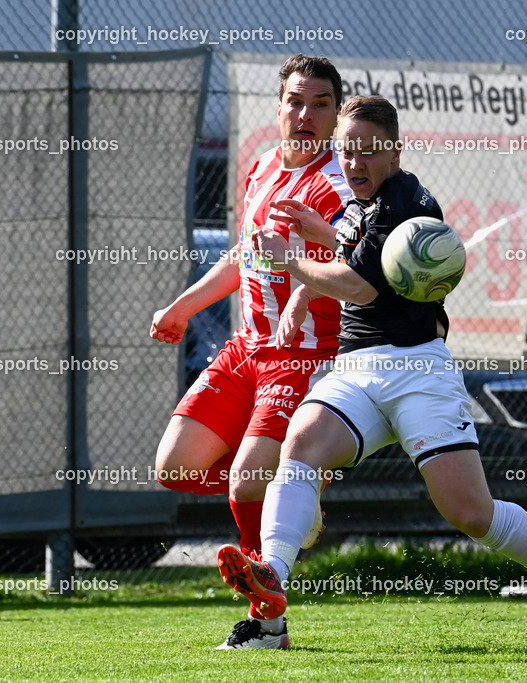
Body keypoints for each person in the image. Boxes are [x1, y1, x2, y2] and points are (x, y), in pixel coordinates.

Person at [216, 95, 527, 654]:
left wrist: (290, 261)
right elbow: (351, 254)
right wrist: (307, 279)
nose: (354, 162)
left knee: (471, 514)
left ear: (395, 150)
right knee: (301, 444)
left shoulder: (404, 203)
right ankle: (273, 595)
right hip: (357, 367)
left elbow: (359, 284)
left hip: (417, 371)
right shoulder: (360, 202)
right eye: (346, 150)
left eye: (367, 151)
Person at [149, 54, 352, 650]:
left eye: (320, 104)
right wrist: (183, 306)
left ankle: (268, 624)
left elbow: (345, 259)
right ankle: (297, 491)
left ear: (337, 115)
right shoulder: (261, 167)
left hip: (303, 352)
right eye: (296, 101)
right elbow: (245, 256)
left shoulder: (335, 184)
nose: (306, 114)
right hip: (246, 348)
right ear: (279, 107)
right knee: (176, 468)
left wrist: (301, 292)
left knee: (245, 486)